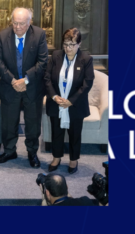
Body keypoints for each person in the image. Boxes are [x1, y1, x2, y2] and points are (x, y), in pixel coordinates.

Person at [0, 7, 48, 167]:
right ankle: (9, 151)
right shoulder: (2, 36)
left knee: (32, 122)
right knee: (9, 123)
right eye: (15, 23)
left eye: (22, 24)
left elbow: (43, 61)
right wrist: (12, 81)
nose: (17, 27)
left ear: (29, 22)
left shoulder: (39, 35)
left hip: (32, 88)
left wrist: (26, 80)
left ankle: (32, 153)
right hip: (10, 87)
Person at [44, 28, 94, 174]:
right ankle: (56, 157)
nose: (68, 48)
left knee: (75, 133)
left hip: (75, 104)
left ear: (79, 44)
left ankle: (73, 159)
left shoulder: (86, 59)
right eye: (65, 44)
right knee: (56, 132)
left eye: (72, 44)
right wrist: (54, 96)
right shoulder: (56, 56)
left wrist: (71, 101)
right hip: (56, 102)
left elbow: (88, 83)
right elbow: (46, 78)